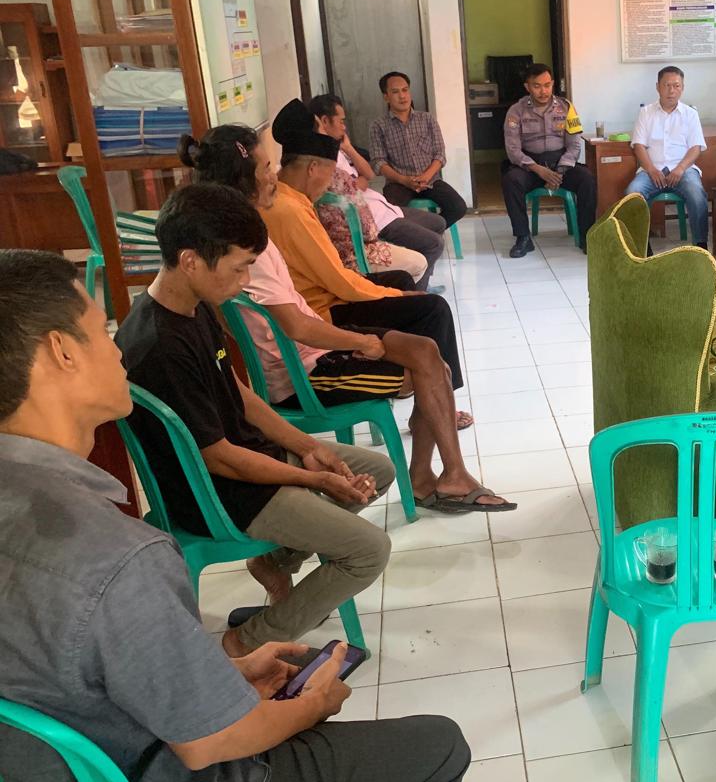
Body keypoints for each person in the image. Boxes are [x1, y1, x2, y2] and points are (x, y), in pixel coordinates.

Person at [0, 248, 470, 782]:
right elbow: (211, 743)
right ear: (61, 351)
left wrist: (229, 676)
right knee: (441, 749)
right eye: (100, 330)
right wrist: (312, 707)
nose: (117, 349)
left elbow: (89, 677)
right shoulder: (116, 556)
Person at [115, 183, 395, 664]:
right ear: (190, 260)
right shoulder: (160, 346)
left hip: (245, 462)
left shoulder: (193, 305)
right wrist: (312, 478)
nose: (245, 280)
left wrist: (308, 447)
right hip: (218, 494)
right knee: (369, 550)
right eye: (239, 267)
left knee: (377, 470)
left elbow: (238, 395)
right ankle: (244, 644)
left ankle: (273, 561)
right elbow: (220, 458)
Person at [178, 125, 509, 510]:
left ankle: (442, 476)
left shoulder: (248, 232)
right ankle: (436, 478)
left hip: (314, 344)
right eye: (266, 167)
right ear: (243, 178)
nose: (274, 175)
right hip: (305, 373)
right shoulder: (249, 247)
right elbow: (297, 325)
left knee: (426, 351)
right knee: (433, 367)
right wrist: (363, 341)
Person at [257, 101, 465, 417]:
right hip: (325, 311)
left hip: (326, 295)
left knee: (401, 280)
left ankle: (428, 390)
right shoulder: (290, 211)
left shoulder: (289, 198)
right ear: (312, 168)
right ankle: (438, 404)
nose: (330, 183)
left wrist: (395, 291)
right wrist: (396, 296)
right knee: (432, 308)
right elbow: (338, 280)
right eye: (329, 174)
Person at [310, 93, 448, 293]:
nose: (344, 127)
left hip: (382, 207)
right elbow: (355, 185)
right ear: (324, 122)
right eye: (341, 121)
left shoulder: (338, 149)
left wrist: (348, 147)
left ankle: (422, 281)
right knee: (434, 244)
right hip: (373, 220)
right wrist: (360, 182)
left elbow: (368, 174)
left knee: (438, 223)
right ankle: (419, 294)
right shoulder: (323, 159)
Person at [501, 63, 597, 257]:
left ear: (553, 83)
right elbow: (513, 150)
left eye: (547, 85)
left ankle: (587, 236)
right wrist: (538, 169)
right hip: (530, 167)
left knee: (587, 179)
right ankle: (523, 238)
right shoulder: (516, 111)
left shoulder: (566, 107)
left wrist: (559, 172)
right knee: (511, 180)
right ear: (527, 87)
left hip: (561, 164)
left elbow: (574, 145)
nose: (543, 91)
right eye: (537, 86)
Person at [624, 65, 711, 249]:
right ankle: (641, 247)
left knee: (697, 193)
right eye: (667, 85)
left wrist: (680, 169)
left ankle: (700, 246)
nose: (671, 90)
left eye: (676, 86)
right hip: (651, 170)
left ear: (682, 88)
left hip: (683, 170)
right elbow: (639, 146)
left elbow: (696, 147)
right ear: (658, 87)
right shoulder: (646, 113)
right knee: (633, 193)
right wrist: (651, 170)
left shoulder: (690, 114)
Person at [367, 70, 466, 225]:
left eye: (405, 90)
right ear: (386, 97)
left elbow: (440, 154)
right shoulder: (378, 126)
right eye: (395, 92)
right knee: (390, 214)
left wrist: (426, 176)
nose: (402, 96)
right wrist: (403, 180)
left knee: (458, 207)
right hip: (398, 183)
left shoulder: (427, 119)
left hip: (430, 180)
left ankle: (428, 232)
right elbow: (378, 162)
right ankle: (415, 234)